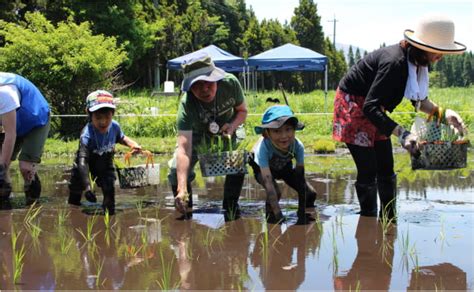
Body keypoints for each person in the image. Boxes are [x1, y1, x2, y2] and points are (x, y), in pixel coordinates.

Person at [332, 14, 467, 221]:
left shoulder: (416, 64)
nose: (440, 56)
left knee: (386, 164)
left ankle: (389, 218)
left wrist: (444, 114)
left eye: (443, 51)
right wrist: (403, 134)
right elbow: (369, 107)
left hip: (375, 107)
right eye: (437, 50)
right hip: (354, 105)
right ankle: (368, 220)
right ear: (422, 46)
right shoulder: (394, 62)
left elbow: (418, 100)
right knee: (368, 168)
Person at [168, 52, 248, 221]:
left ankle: (231, 207)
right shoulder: (187, 104)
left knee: (237, 162)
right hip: (198, 135)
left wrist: (232, 126)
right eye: (197, 85)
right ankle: (184, 206)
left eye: (208, 83)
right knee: (176, 169)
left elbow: (242, 111)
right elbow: (184, 149)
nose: (204, 89)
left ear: (216, 79)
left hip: (227, 130)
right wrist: (181, 188)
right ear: (190, 87)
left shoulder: (230, 84)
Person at [68, 90, 141, 215]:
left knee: (109, 189)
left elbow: (121, 137)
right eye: (98, 118)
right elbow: (83, 161)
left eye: (107, 117)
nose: (103, 122)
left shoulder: (114, 127)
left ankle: (108, 216)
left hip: (105, 162)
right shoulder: (87, 134)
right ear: (89, 115)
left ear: (113, 114)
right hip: (85, 164)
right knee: (76, 190)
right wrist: (87, 187)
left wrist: (133, 144)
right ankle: (73, 214)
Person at [249, 105, 317, 224]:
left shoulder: (297, 146)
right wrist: (279, 215)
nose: (284, 136)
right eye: (277, 131)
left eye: (288, 129)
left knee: (310, 193)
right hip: (262, 169)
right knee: (276, 192)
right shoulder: (263, 148)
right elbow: (268, 183)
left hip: (284, 167)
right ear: (266, 133)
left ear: (294, 129)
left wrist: (301, 213)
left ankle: (306, 212)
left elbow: (300, 178)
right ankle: (271, 219)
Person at [0, 72, 50, 209]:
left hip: (35, 119)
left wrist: (2, 168)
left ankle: (33, 206)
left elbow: (10, 134)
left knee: (25, 167)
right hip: (11, 122)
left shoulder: (4, 93)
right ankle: (5, 207)